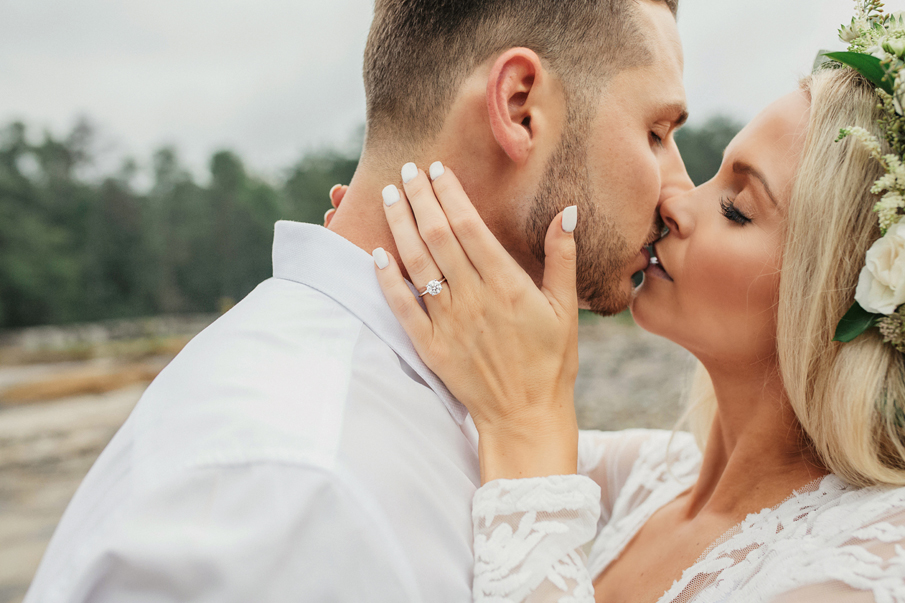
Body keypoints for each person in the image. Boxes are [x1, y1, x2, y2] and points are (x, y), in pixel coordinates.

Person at [23, 1, 692, 601]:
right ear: (519, 106)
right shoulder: (296, 489)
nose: (678, 192)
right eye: (656, 133)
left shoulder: (427, 402)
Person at [371, 8, 905, 602]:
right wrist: (383, 254)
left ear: (835, 295)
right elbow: (445, 440)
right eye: (713, 176)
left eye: (737, 208)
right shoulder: (652, 475)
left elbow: (518, 443)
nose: (675, 199)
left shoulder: (872, 555)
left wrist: (530, 418)